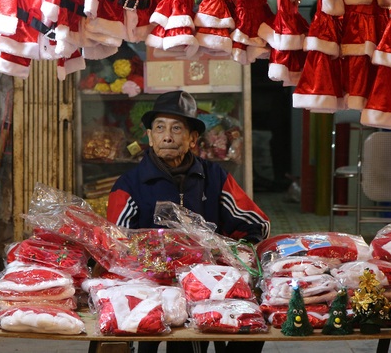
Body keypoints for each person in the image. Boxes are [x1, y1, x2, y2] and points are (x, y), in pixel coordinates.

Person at [107, 90, 270, 353]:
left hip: (207, 286)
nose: (167, 136)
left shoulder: (214, 176)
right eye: (159, 128)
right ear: (149, 136)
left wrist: (226, 250)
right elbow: (116, 245)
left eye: (176, 128)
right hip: (151, 288)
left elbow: (256, 224)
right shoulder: (129, 184)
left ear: (193, 138)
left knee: (248, 325)